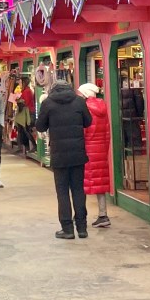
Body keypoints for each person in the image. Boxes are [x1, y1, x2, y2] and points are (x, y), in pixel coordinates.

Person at [35, 80, 93, 240]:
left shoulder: (48, 103)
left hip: (59, 154)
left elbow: (40, 126)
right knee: (78, 190)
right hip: (77, 153)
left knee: (62, 192)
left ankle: (67, 229)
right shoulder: (79, 101)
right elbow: (88, 122)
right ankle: (82, 228)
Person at [78, 83, 111, 228]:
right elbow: (107, 132)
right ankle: (103, 214)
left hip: (87, 150)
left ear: (85, 94)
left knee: (81, 183)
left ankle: (80, 215)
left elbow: (83, 131)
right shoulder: (103, 109)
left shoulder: (85, 109)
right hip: (101, 150)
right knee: (100, 183)